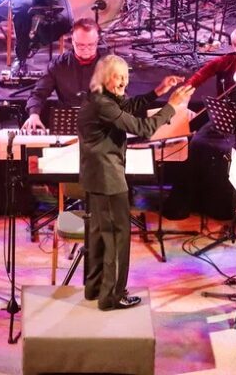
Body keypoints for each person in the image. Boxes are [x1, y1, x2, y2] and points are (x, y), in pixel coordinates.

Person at [78, 54, 191, 311]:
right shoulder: (104, 105)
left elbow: (126, 107)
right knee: (117, 237)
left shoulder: (98, 97)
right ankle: (112, 296)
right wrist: (171, 106)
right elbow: (143, 128)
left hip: (96, 176)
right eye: (118, 77)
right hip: (108, 179)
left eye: (125, 77)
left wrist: (157, 91)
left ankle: (95, 288)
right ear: (105, 78)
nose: (123, 83)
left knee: (99, 235)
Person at [163, 26, 236, 220]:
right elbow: (197, 78)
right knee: (197, 143)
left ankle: (223, 208)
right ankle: (191, 202)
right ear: (234, 47)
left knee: (229, 153)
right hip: (222, 118)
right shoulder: (225, 62)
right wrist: (183, 101)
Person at [22, 16, 104, 131]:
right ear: (73, 41)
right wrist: (34, 115)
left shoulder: (110, 63)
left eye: (91, 45)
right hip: (67, 123)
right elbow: (38, 94)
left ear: (97, 41)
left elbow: (120, 97)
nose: (86, 49)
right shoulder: (58, 65)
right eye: (81, 45)